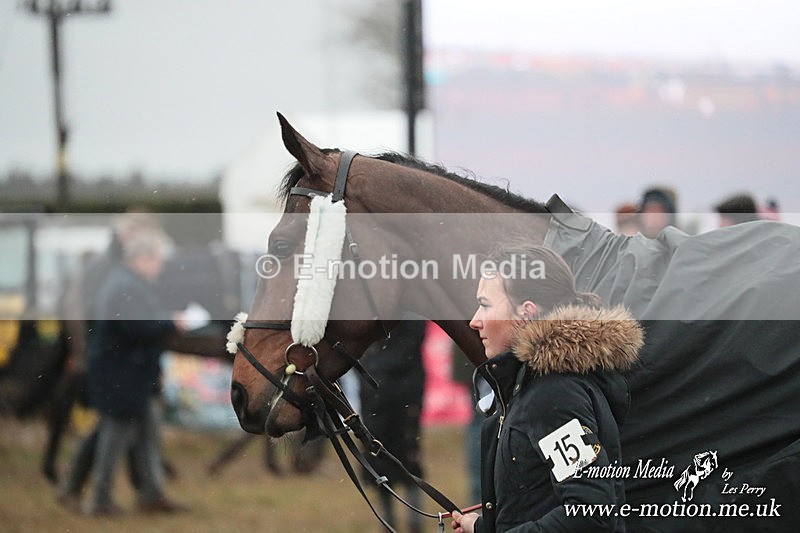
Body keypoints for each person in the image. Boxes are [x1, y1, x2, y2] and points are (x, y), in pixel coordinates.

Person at [451, 243, 643, 533]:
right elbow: (534, 502)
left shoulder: (554, 393)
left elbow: (590, 513)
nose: (474, 321)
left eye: (486, 305)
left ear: (526, 313)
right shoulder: (529, 385)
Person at [83, 223, 186, 515]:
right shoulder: (126, 285)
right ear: (142, 258)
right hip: (122, 377)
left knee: (146, 435)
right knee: (113, 441)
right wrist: (170, 323)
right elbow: (138, 326)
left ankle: (151, 494)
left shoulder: (125, 281)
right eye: (157, 260)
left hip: (129, 376)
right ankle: (100, 500)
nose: (160, 267)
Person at [359, 315, 427, 532]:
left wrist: (374, 366)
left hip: (404, 389)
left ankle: (416, 519)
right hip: (374, 391)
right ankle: (387, 521)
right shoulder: (367, 303)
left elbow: (413, 340)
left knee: (408, 453)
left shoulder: (410, 304)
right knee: (377, 455)